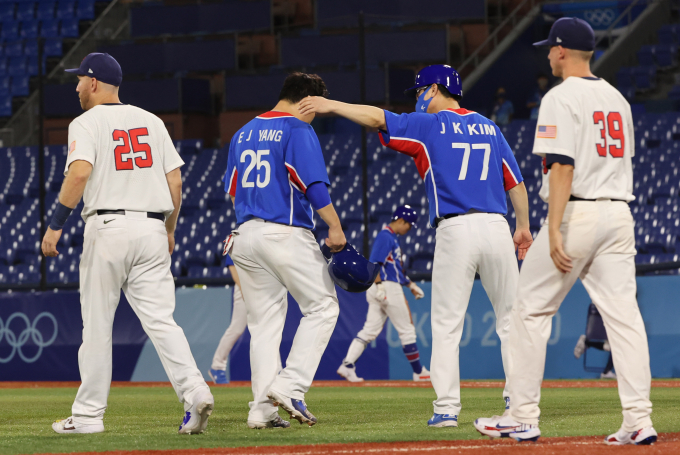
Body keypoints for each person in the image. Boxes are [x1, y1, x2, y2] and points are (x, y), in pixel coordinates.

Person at [299, 64, 533, 428]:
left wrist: (331, 106)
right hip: (497, 226)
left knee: (446, 324)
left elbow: (378, 118)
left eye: (422, 91)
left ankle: (446, 410)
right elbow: (515, 182)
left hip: (456, 228)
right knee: (511, 321)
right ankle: (517, 402)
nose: (420, 99)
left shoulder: (431, 125)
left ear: (436, 89)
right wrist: (523, 226)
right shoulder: (490, 127)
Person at [474, 17, 656, 445]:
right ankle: (638, 419)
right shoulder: (616, 98)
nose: (548, 55)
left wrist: (552, 228)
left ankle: (521, 415)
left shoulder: (561, 96)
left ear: (560, 50)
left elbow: (561, 166)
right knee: (625, 320)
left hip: (579, 214)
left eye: (550, 49)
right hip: (618, 214)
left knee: (528, 310)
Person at [41, 53, 213, 435]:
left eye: (80, 79)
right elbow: (176, 183)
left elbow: (80, 172)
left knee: (98, 326)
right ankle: (195, 390)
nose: (76, 86)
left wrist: (54, 227)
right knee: (163, 322)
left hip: (108, 227)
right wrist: (169, 230)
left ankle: (87, 417)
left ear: (94, 82)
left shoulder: (85, 122)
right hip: (152, 229)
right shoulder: (152, 120)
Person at [224, 72, 346, 429]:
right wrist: (335, 227)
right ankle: (291, 385)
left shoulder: (242, 132)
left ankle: (261, 410)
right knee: (323, 307)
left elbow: (233, 191)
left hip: (245, 236)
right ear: (307, 99)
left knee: (263, 325)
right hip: (284, 232)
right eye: (316, 106)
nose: (316, 114)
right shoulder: (296, 129)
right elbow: (314, 187)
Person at [337, 205, 430, 383]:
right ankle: (419, 372)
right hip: (386, 286)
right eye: (409, 224)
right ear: (401, 220)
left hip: (380, 287)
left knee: (369, 330)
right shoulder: (386, 236)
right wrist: (379, 285)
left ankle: (347, 365)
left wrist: (409, 284)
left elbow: (393, 267)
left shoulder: (390, 236)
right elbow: (374, 263)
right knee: (407, 329)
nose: (409, 229)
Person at [209, 254, 286, 386]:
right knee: (237, 328)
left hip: (264, 285)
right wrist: (243, 288)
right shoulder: (237, 236)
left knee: (269, 327)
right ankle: (217, 366)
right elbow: (232, 267)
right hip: (245, 286)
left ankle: (277, 369)